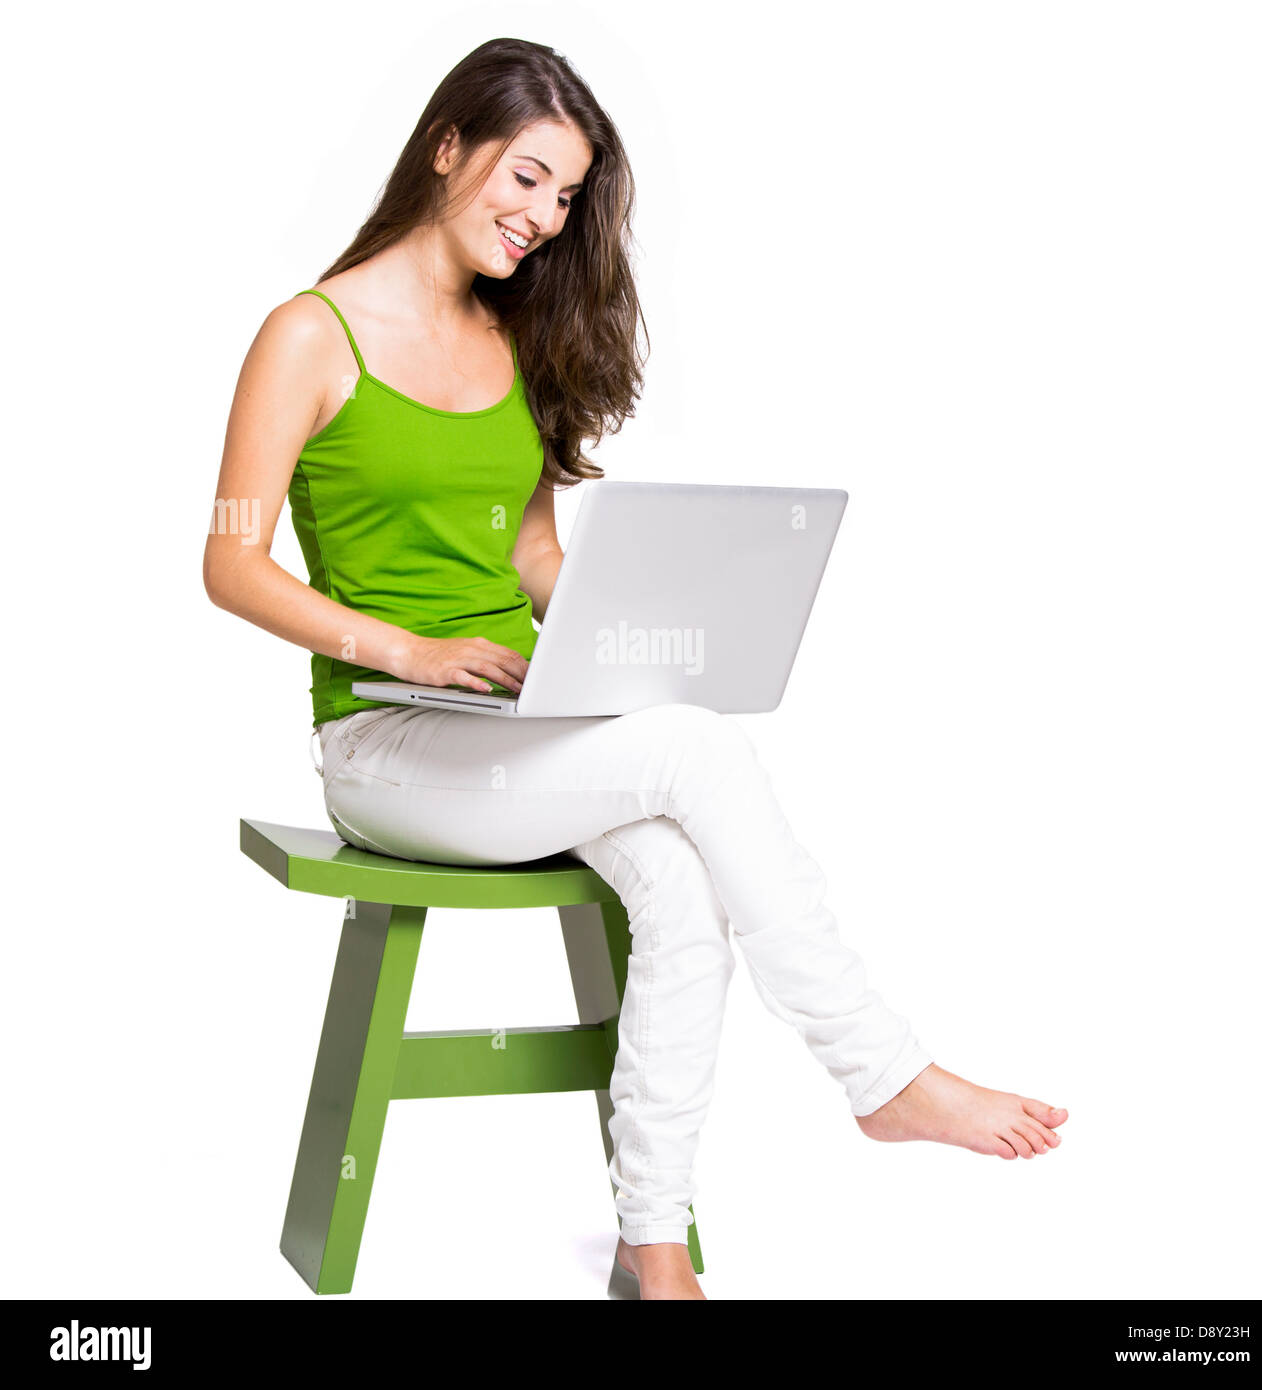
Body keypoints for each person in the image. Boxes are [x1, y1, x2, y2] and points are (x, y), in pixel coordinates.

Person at [203, 37, 1067, 1301]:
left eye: (565, 199)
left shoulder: (514, 339)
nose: (544, 219)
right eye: (527, 179)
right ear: (448, 145)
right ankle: (883, 1075)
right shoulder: (308, 334)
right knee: (699, 754)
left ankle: (651, 1244)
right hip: (386, 743)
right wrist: (408, 649)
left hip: (510, 730)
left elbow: (537, 553)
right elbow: (231, 562)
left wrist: (627, 625)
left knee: (672, 875)